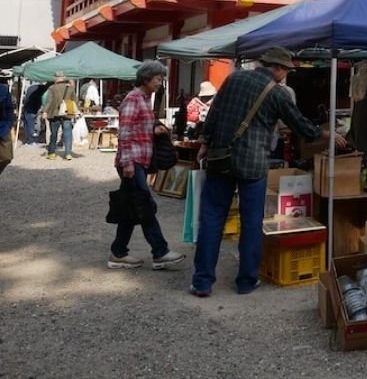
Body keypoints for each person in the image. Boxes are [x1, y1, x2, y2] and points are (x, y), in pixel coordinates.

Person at [190, 47, 345, 297]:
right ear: (279, 68)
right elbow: (300, 125)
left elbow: (214, 113)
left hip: (221, 157)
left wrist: (205, 144)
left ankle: (202, 282)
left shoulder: (233, 78)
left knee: (212, 219)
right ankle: (246, 281)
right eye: (286, 70)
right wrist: (325, 133)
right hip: (253, 162)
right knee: (251, 223)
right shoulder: (278, 93)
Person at [108, 60, 187, 271]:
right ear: (146, 79)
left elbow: (135, 128)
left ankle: (118, 252)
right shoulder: (134, 99)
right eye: (158, 79)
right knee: (145, 206)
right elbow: (124, 133)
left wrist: (154, 130)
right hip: (132, 162)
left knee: (131, 207)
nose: (160, 83)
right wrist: (127, 163)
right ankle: (160, 252)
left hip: (138, 160)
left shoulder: (143, 99)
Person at [40, 71, 76, 161]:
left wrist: (45, 112)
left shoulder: (52, 88)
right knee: (68, 133)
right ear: (64, 78)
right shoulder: (70, 88)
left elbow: (49, 102)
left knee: (54, 134)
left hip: (54, 113)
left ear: (56, 78)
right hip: (67, 113)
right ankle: (68, 153)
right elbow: (74, 100)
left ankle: (52, 153)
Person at [21, 81, 45, 146]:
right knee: (31, 125)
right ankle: (31, 141)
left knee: (27, 125)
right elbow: (39, 100)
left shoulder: (30, 87)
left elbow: (26, 97)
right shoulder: (40, 89)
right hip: (33, 109)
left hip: (26, 107)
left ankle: (27, 140)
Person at [0, 71, 14, 177]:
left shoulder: (3, 89)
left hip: (3, 127)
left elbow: (9, 108)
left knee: (7, 157)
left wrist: (9, 123)